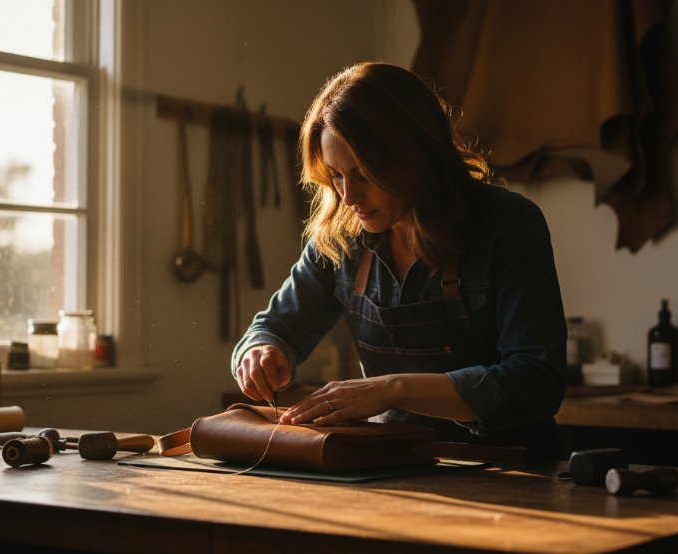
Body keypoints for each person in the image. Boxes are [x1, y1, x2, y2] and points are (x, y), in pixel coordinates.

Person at [231, 62, 567, 455]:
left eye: (364, 175)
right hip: (393, 464)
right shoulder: (343, 237)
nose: (349, 197)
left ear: (415, 155)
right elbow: (275, 328)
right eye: (336, 176)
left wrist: (392, 389)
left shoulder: (507, 225)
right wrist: (260, 351)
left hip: (512, 469)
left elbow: (537, 382)